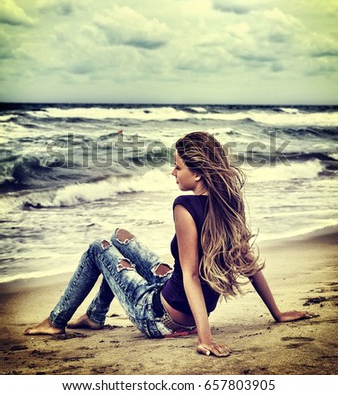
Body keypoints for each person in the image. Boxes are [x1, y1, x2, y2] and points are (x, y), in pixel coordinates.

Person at [24, 132, 315, 357]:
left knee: (97, 249)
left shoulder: (185, 206)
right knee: (120, 236)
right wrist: (277, 314)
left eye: (177, 167)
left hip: (158, 316)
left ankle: (55, 322)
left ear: (197, 172)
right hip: (173, 298)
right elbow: (248, 261)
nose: (173, 173)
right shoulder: (227, 203)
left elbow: (189, 275)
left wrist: (206, 339)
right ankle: (95, 316)